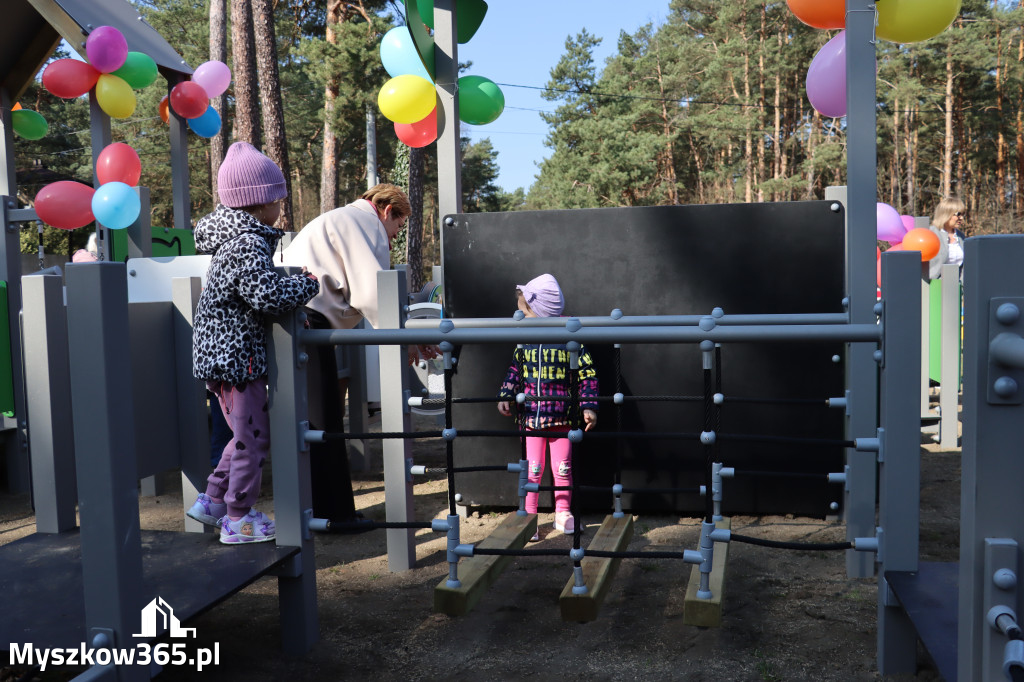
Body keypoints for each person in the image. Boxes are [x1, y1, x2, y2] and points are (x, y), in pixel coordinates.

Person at [187, 141, 320, 544]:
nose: (281, 206)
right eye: (278, 197)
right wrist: (307, 284)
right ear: (261, 202)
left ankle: (212, 500)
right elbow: (265, 296)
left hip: (223, 354)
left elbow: (251, 288)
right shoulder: (247, 243)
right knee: (253, 439)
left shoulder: (237, 240)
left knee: (242, 435)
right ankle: (238, 518)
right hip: (236, 356)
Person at [281, 183, 437, 524]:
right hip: (308, 319)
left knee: (319, 419)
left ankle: (326, 511)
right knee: (322, 421)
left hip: (302, 317)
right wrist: (403, 338)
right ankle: (333, 516)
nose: (395, 236)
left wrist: (410, 334)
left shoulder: (344, 218)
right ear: (386, 211)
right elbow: (371, 293)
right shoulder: (365, 224)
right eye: (397, 226)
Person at [496, 274, 598, 540]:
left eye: (523, 313)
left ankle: (563, 514)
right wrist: (506, 393)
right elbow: (516, 370)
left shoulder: (569, 339)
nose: (519, 318)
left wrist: (588, 406)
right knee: (533, 469)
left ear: (538, 312)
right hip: (531, 419)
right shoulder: (525, 342)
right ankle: (530, 516)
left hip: (562, 418)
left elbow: (587, 374)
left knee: (563, 468)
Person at [927, 196, 967, 280]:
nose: (961, 218)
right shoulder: (930, 233)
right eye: (958, 214)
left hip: (956, 286)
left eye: (963, 215)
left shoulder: (961, 236)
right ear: (946, 214)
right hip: (934, 286)